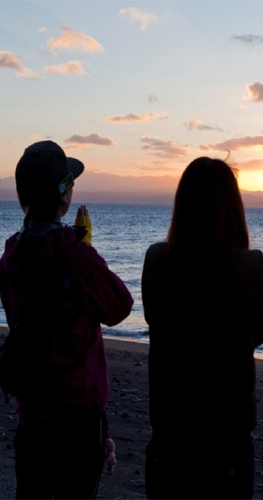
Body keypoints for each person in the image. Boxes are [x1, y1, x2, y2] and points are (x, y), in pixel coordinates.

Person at [0, 140, 133, 499]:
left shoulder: (10, 255)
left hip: (31, 418)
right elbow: (120, 306)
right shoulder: (77, 257)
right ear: (64, 193)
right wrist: (85, 248)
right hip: (76, 421)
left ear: (21, 197)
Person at [142, 157, 263, 499]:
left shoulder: (156, 262)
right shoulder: (253, 267)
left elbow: (153, 317)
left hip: (171, 437)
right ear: (234, 208)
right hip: (226, 442)